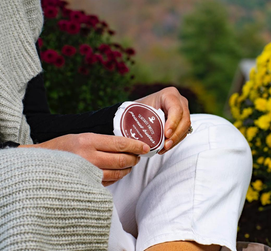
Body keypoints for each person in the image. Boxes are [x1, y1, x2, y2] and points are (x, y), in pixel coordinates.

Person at [0, 0, 253, 250]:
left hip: (45, 175)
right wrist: (37, 161)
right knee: (34, 184)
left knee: (212, 139)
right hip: (16, 188)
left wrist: (125, 115)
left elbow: (30, 123)